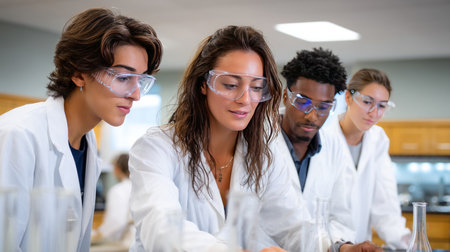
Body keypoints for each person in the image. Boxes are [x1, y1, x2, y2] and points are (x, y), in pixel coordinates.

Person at [128, 25, 311, 252]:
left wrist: (338, 247)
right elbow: (162, 230)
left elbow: (291, 226)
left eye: (256, 87)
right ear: (203, 84)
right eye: (231, 85)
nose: (245, 99)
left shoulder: (266, 156)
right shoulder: (157, 148)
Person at [0, 8, 162, 252]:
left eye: (141, 81)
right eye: (122, 78)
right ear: (79, 74)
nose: (136, 94)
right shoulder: (18, 134)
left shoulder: (87, 143)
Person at [276, 48, 382, 252]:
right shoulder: (259, 143)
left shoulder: (333, 146)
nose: (312, 115)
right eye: (303, 102)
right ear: (285, 96)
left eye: (324, 107)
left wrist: (344, 247)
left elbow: (340, 216)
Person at [325, 68, 411, 249]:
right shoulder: (324, 138)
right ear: (348, 97)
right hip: (327, 245)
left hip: (361, 245)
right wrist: (341, 245)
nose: (374, 112)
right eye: (367, 102)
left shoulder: (378, 140)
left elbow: (385, 203)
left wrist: (407, 245)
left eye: (382, 105)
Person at [91, 153, 134, 248]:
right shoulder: (137, 187)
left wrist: (97, 235)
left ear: (117, 168)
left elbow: (116, 221)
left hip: (124, 244)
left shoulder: (117, 190)